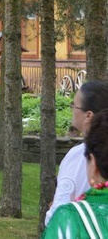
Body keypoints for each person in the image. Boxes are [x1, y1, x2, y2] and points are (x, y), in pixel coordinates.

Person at [46, 80, 108, 224]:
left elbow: (58, 215)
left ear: (88, 115)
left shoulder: (78, 155)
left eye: (74, 105)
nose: (72, 109)